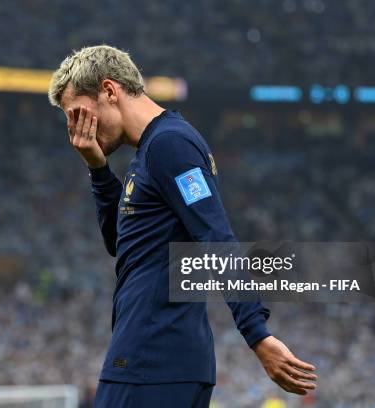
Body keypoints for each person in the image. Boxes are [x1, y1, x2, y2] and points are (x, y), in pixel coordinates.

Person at [48, 45, 317, 407]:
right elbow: (121, 244)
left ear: (109, 91)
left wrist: (257, 333)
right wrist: (98, 171)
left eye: (78, 114)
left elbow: (215, 236)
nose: (76, 130)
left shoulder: (168, 145)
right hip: (163, 359)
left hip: (152, 356)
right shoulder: (149, 152)